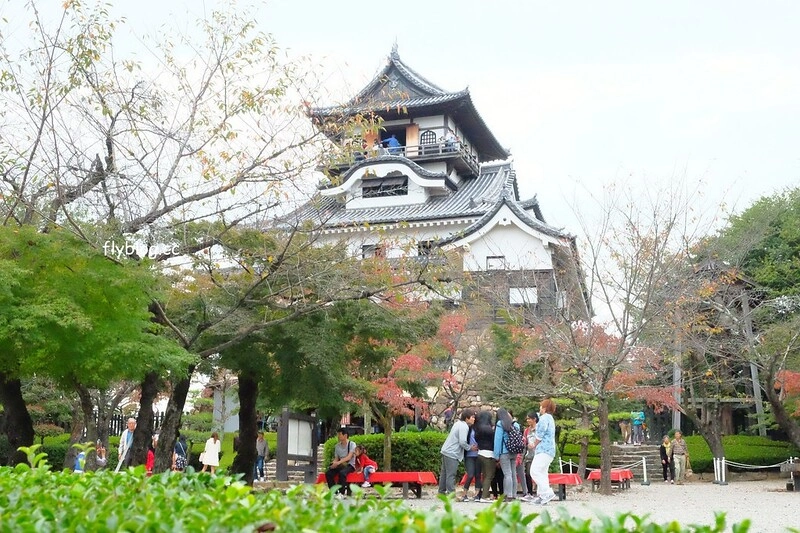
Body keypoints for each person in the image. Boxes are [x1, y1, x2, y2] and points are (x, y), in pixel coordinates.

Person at [438, 407, 477, 496]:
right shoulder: (464, 426)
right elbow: (462, 442)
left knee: (444, 473)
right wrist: (470, 448)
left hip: (446, 450)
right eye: (472, 417)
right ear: (467, 418)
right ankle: (451, 494)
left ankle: (441, 493)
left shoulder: (458, 423)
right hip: (452, 452)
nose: (474, 419)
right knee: (451, 474)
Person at [530, 398, 557, 505]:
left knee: (534, 471)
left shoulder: (544, 418)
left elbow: (540, 435)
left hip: (543, 449)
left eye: (541, 406)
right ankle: (542, 496)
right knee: (542, 472)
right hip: (549, 450)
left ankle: (547, 492)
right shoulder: (550, 418)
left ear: (544, 408)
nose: (540, 408)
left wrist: (533, 444)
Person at [493, 408, 520, 501]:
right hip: (514, 452)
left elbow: (497, 440)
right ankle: (514, 494)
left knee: (507, 474)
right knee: (513, 473)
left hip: (504, 452)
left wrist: (496, 456)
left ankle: (508, 495)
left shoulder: (500, 424)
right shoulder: (514, 424)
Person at [325, 427, 357, 498]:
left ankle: (342, 493)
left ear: (345, 435)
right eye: (338, 434)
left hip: (350, 465)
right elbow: (336, 458)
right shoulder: (337, 446)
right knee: (328, 473)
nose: (338, 436)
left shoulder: (352, 444)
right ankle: (334, 492)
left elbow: (349, 457)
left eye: (340, 434)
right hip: (340, 465)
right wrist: (334, 463)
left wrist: (338, 463)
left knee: (342, 473)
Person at [474, 410, 496, 503]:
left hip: (480, 453)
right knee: (489, 475)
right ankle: (484, 496)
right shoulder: (490, 430)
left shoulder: (478, 429)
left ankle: (484, 494)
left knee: (484, 475)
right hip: (489, 454)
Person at [460, 417, 481, 501]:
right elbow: (463, 441)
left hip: (478, 454)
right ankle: (464, 493)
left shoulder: (480, 429)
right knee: (470, 474)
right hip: (469, 455)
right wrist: (469, 447)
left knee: (478, 475)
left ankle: (477, 494)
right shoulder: (467, 429)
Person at [520, 411, 539, 501]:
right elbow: (524, 443)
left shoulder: (539, 429)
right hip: (529, 455)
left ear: (534, 419)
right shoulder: (526, 431)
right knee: (528, 473)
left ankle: (540, 492)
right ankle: (530, 493)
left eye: (529, 419)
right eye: (527, 419)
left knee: (538, 474)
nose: (527, 420)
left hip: (538, 454)